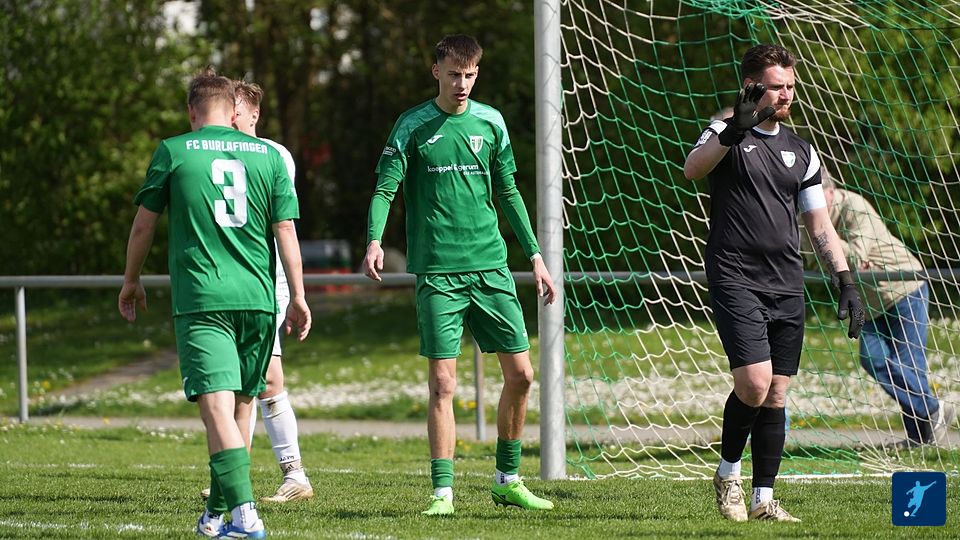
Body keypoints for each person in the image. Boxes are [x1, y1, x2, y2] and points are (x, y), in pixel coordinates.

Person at [362, 34, 558, 516]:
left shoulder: (491, 122)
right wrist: (374, 240)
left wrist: (535, 255)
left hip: (491, 267)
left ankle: (507, 481)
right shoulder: (411, 125)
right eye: (453, 74)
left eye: (469, 74)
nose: (462, 83)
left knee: (522, 375)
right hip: (438, 272)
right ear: (436, 72)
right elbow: (385, 189)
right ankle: (442, 494)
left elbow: (508, 192)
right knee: (443, 385)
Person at [118, 67, 310, 538]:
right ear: (233, 109)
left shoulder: (175, 151)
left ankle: (245, 518)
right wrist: (299, 296)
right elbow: (286, 229)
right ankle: (214, 517)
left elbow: (143, 225)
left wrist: (131, 281)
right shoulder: (270, 156)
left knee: (216, 410)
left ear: (192, 112)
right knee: (240, 409)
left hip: (204, 300)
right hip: (259, 300)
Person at [683, 44, 865, 523]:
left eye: (790, 86)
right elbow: (692, 168)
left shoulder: (802, 150)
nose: (785, 95)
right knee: (755, 383)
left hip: (786, 281)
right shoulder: (724, 132)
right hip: (735, 275)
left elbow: (819, 224)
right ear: (751, 87)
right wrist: (734, 130)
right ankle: (727, 474)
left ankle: (763, 500)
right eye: (775, 86)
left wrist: (845, 280)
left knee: (778, 392)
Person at [801, 170, 955, 447]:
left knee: (909, 365)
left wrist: (824, 238)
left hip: (903, 289)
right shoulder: (809, 221)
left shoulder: (854, 207)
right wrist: (824, 245)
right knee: (872, 359)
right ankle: (933, 410)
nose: (811, 203)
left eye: (816, 194)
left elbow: (856, 256)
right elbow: (814, 262)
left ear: (831, 191)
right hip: (869, 302)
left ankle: (920, 437)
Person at [230, 79, 315, 502]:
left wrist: (297, 293)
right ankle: (237, 478)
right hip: (234, 280)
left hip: (267, 279)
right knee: (248, 381)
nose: (229, 119)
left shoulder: (273, 155)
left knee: (263, 377)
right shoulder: (216, 152)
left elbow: (281, 222)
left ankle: (292, 475)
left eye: (236, 112)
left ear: (254, 114)